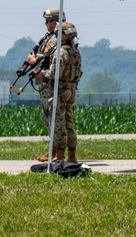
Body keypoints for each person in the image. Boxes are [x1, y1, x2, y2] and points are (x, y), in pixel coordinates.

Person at [37, 21, 82, 163]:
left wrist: (41, 74)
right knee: (69, 122)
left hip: (60, 90)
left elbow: (54, 73)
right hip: (71, 88)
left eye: (58, 33)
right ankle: (72, 155)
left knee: (59, 123)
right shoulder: (75, 52)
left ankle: (60, 156)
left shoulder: (61, 52)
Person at [29, 8, 60, 162]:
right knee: (47, 118)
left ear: (55, 21)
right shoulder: (49, 37)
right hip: (45, 84)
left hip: (51, 83)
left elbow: (48, 58)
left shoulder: (56, 39)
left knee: (53, 118)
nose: (45, 24)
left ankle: (56, 153)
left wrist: (34, 61)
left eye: (48, 21)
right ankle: (52, 150)